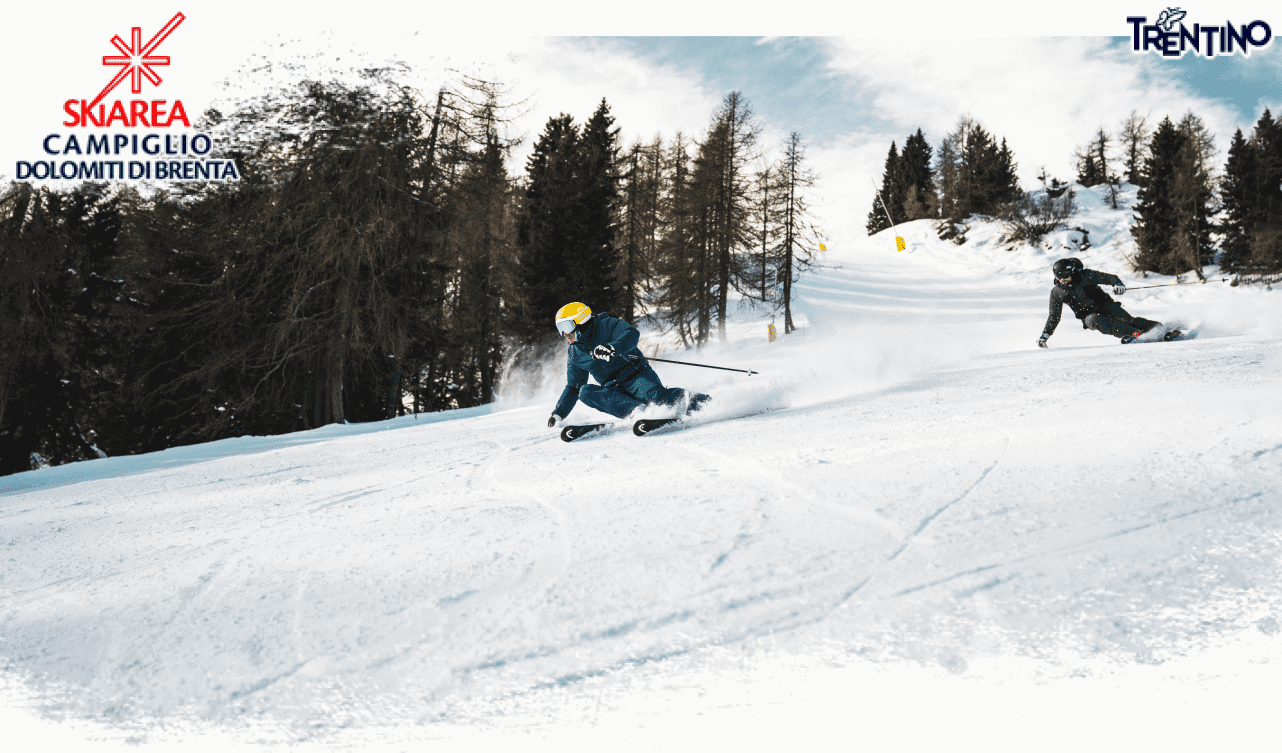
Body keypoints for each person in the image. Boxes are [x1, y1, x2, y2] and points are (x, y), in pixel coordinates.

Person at [547, 302, 709, 427]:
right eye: (560, 328)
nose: (564, 334)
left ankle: (696, 400)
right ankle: (636, 411)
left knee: (658, 399)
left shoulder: (605, 325)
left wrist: (612, 347)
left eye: (566, 326)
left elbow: (631, 334)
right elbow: (573, 387)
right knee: (585, 392)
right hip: (614, 391)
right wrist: (558, 414)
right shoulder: (575, 352)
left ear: (581, 320)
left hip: (636, 376)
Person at [1038, 257, 1179, 347]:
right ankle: (1136, 335)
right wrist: (1045, 335)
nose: (1062, 279)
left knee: (1127, 320)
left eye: (1065, 275)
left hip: (1105, 305)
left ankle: (1163, 331)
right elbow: (1054, 316)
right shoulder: (1056, 292)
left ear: (1073, 272)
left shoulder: (1085, 276)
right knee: (1096, 319)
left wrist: (1117, 284)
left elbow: (1108, 277)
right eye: (1058, 276)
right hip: (1088, 317)